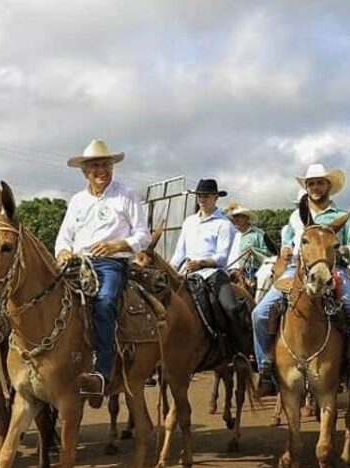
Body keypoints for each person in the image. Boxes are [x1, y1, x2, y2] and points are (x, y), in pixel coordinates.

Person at [251, 163, 350, 405]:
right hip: (296, 271)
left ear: (329, 186)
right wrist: (285, 248)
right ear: (307, 187)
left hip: (333, 270)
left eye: (320, 182)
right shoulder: (296, 217)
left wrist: (346, 249)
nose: (315, 187)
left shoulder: (343, 218)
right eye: (311, 183)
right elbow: (287, 240)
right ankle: (266, 368)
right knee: (259, 313)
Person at [54, 139, 150, 403]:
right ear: (85, 171)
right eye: (95, 166)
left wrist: (119, 244)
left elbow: (144, 235)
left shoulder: (126, 194)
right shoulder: (77, 201)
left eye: (105, 164)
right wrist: (63, 251)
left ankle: (102, 372)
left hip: (111, 263)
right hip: (77, 263)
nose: (101, 170)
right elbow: (64, 237)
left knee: (105, 302)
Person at [169, 178, 252, 364]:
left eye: (206, 196)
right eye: (199, 196)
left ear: (215, 198)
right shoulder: (189, 222)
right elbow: (179, 253)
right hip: (187, 275)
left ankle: (239, 352)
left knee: (230, 307)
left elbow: (222, 257)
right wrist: (170, 271)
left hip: (214, 275)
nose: (202, 200)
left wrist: (202, 263)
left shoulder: (224, 224)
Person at [226, 203, 276, 281]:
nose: (236, 219)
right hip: (229, 271)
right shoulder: (232, 234)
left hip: (250, 271)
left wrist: (254, 250)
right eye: (234, 216)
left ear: (247, 218)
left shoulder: (259, 234)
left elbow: (269, 254)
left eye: (239, 216)